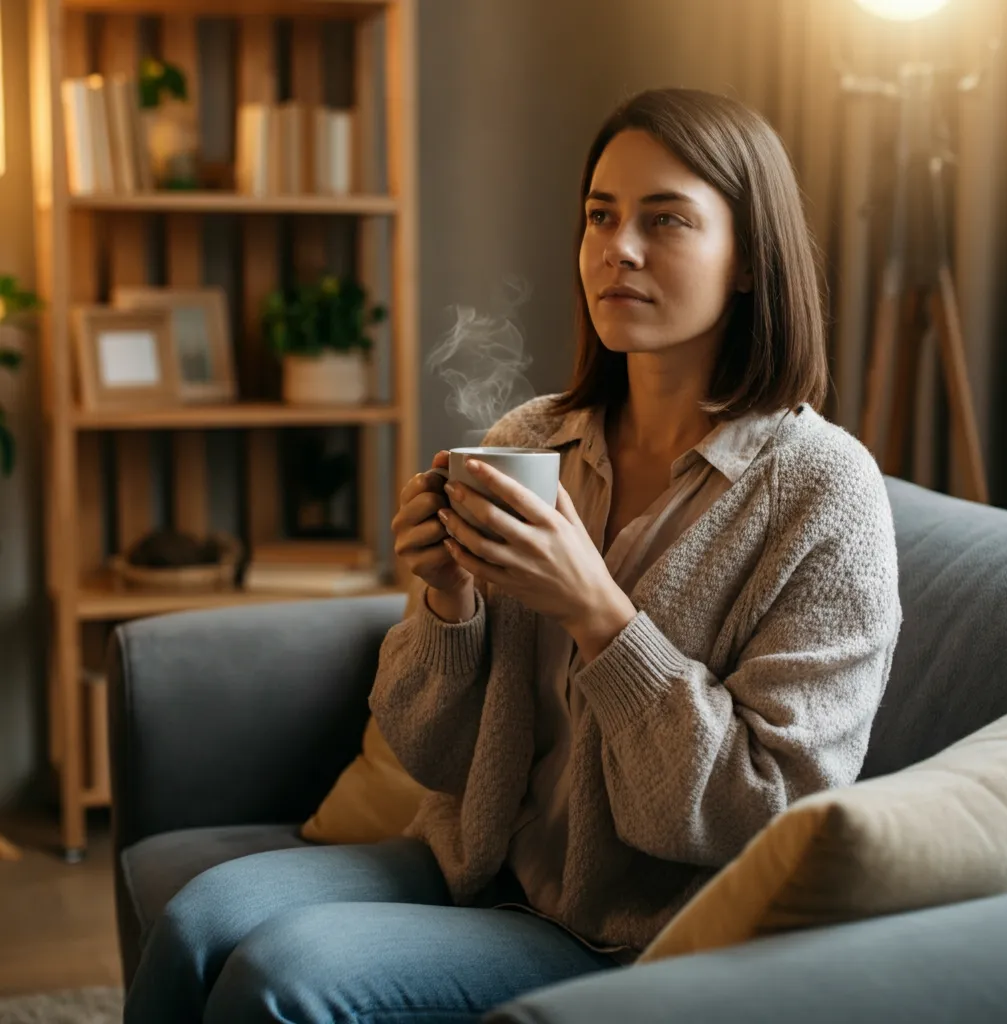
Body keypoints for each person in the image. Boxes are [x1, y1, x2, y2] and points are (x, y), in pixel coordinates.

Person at [124, 87, 902, 1024]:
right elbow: (434, 756)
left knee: (286, 975)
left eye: (667, 220)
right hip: (471, 866)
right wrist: (448, 603)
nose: (619, 248)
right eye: (600, 216)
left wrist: (599, 614)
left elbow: (764, 815)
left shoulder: (825, 494)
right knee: (201, 915)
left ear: (748, 260)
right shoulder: (537, 437)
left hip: (628, 936)